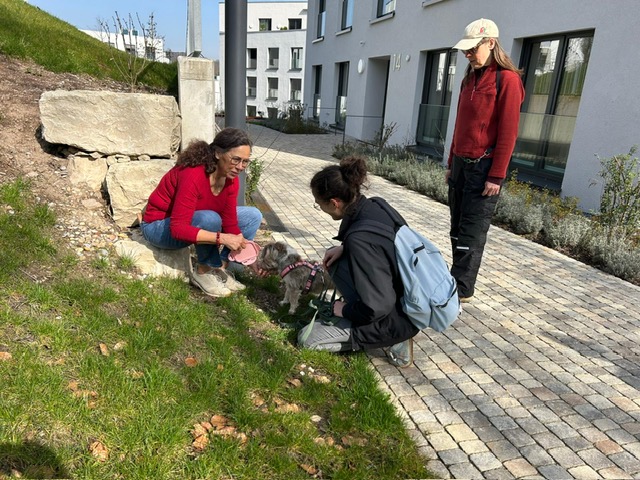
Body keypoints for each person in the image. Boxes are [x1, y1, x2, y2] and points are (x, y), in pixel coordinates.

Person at [299, 155, 419, 367]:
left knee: (307, 339)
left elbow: (378, 306)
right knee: (335, 260)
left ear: (334, 203)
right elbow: (384, 245)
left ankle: (396, 338)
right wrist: (344, 247)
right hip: (406, 296)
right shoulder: (376, 206)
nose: (320, 208)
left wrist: (343, 310)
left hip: (393, 318)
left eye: (319, 204)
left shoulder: (359, 240)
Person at [446, 18, 525, 302]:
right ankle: (455, 279)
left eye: (472, 49)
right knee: (456, 227)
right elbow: (459, 124)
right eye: (465, 50)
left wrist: (496, 176)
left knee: (472, 231)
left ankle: (462, 289)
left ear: (491, 43)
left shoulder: (508, 80)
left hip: (483, 169)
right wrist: (450, 162)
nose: (468, 54)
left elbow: (508, 133)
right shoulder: (469, 79)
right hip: (460, 165)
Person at [140, 127, 263, 297]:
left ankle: (219, 269)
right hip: (159, 226)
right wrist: (221, 238)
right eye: (236, 159)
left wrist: (249, 256)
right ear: (218, 153)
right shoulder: (193, 174)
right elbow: (178, 229)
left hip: (194, 220)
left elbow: (230, 223)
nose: (240, 167)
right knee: (210, 218)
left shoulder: (230, 180)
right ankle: (203, 271)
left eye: (245, 161)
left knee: (252, 216)